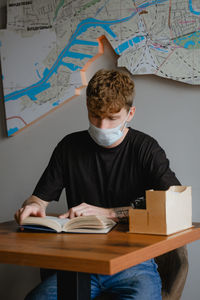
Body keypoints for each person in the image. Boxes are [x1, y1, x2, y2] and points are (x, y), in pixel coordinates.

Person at [15, 69, 180, 300]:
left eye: (112, 118)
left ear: (130, 113)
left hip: (133, 263)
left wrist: (108, 213)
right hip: (80, 261)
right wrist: (32, 206)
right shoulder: (69, 147)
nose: (102, 126)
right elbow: (38, 199)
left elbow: (174, 203)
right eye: (95, 115)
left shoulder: (146, 148)